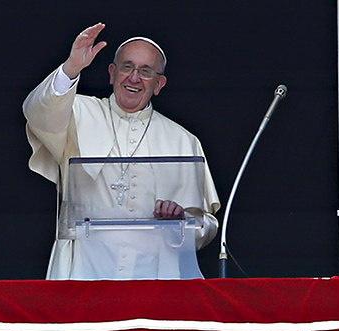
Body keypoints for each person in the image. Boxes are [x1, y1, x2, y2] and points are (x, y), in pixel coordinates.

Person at [23, 23, 220, 280]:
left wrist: (180, 220)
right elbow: (37, 112)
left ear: (159, 84)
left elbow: (204, 227)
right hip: (84, 268)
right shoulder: (76, 113)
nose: (134, 78)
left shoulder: (183, 140)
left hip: (156, 274)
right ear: (112, 73)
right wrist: (72, 67)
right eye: (127, 67)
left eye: (146, 71)